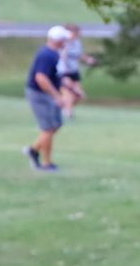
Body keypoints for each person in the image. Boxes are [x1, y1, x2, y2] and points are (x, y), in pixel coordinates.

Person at [22, 25, 70, 172]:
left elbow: (55, 76)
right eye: (63, 39)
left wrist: (71, 88)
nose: (65, 42)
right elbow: (41, 78)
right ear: (58, 40)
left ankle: (34, 150)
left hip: (47, 94)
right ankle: (46, 163)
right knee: (49, 127)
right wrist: (57, 96)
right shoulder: (46, 55)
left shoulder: (54, 54)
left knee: (55, 125)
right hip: (39, 94)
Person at [57, 23, 96, 119]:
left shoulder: (77, 43)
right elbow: (62, 58)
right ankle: (68, 113)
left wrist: (88, 59)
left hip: (74, 72)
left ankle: (60, 109)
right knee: (68, 93)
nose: (77, 35)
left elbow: (80, 54)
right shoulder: (63, 43)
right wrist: (65, 75)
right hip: (64, 72)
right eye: (75, 33)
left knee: (79, 95)